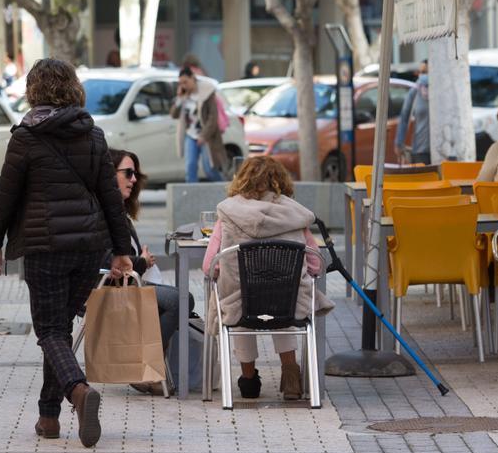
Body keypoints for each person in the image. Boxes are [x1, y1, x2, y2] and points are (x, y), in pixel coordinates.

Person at [0, 58, 133, 447]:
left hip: (44, 246)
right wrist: (121, 249)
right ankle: (48, 417)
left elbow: (5, 195)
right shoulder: (93, 135)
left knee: (50, 331)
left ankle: (78, 392)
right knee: (60, 331)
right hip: (88, 247)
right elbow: (110, 199)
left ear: (33, 90)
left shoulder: (26, 136)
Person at [202, 156, 334, 400]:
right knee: (282, 297)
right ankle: (291, 375)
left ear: (242, 180)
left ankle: (249, 380)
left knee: (238, 303)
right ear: (280, 181)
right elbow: (316, 264)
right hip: (287, 305)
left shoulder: (227, 214)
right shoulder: (295, 215)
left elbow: (209, 266)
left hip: (240, 306)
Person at [107, 148, 185, 395]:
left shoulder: (120, 212)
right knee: (177, 300)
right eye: (128, 173)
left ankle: (150, 367)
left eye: (135, 174)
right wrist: (141, 261)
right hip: (110, 289)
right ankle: (144, 367)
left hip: (129, 285)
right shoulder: (102, 212)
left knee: (182, 299)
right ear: (109, 174)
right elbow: (107, 260)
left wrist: (141, 261)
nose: (133, 179)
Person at [170, 66, 226, 182]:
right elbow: (174, 115)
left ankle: (224, 190)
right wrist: (179, 98)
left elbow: (212, 116)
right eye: (181, 83)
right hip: (190, 135)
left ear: (193, 78)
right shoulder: (184, 96)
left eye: (186, 82)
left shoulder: (207, 91)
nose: (184, 85)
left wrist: (204, 136)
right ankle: (191, 196)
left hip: (207, 136)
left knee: (210, 168)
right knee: (190, 167)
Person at [395, 60, 430, 164]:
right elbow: (404, 118)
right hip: (420, 151)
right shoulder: (415, 92)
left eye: (427, 72)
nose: (423, 76)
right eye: (422, 72)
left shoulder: (442, 92)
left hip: (441, 152)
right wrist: (399, 143)